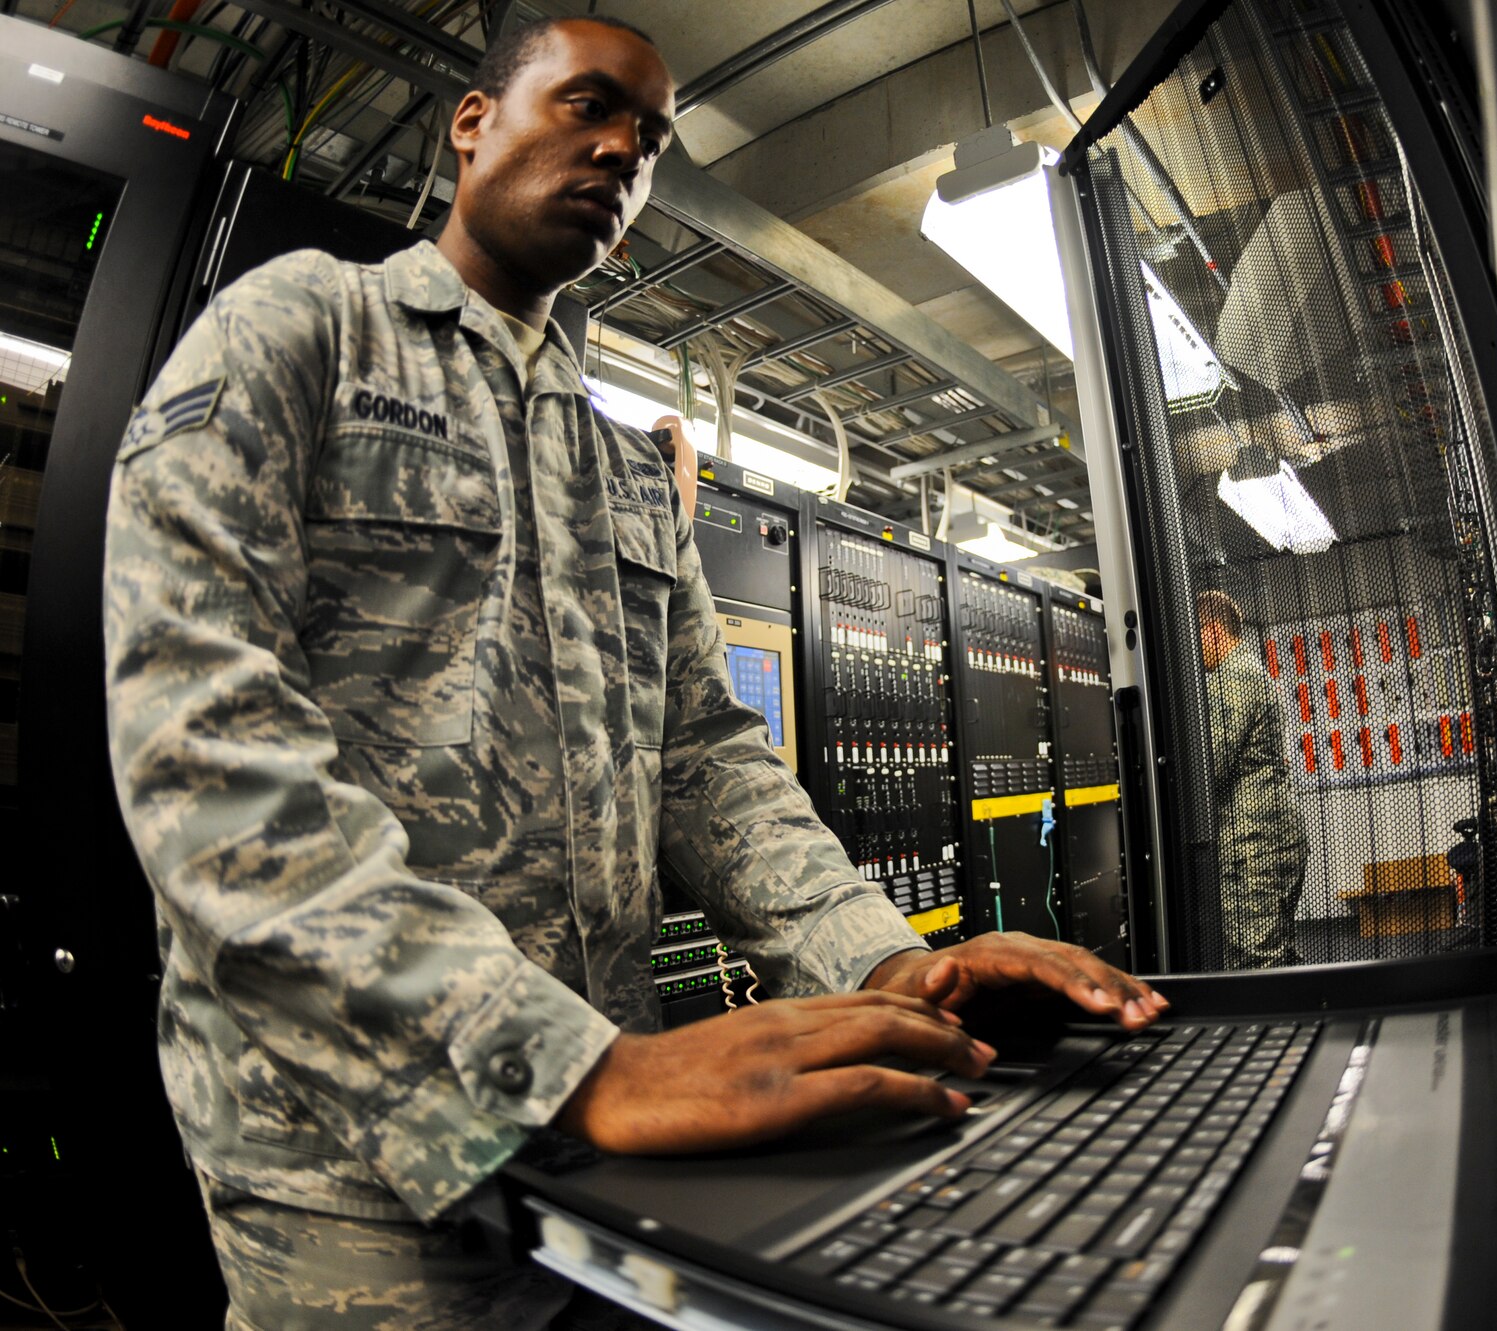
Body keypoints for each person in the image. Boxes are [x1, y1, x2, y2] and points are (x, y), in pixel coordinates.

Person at [102, 16, 1163, 1327]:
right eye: (590, 105)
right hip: (352, 1162)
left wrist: (879, 961)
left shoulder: (616, 466)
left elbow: (704, 756)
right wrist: (559, 1065)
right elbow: (202, 750)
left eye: (652, 140)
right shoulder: (303, 333)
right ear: (475, 121)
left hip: (611, 1131)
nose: (622, 149)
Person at [1195, 590, 1308, 968]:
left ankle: (1279, 1028)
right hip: (1270, 836)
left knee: (1255, 960)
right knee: (1275, 950)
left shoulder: (1235, 676)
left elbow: (1212, 763)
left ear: (1211, 631)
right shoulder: (1250, 669)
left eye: (1197, 637)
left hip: (1253, 845)